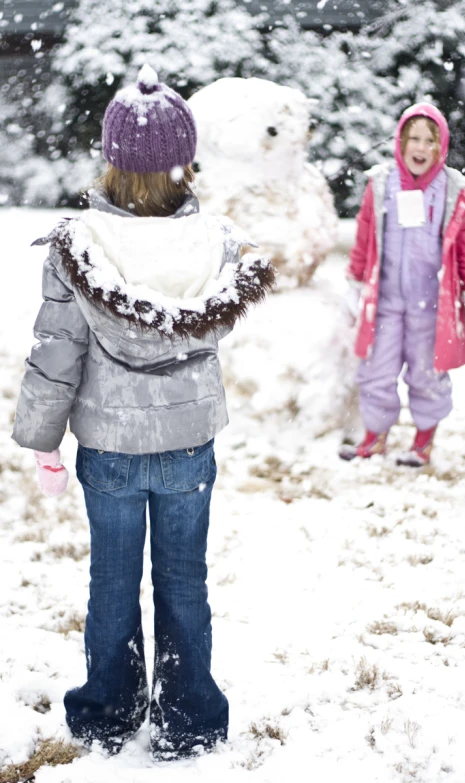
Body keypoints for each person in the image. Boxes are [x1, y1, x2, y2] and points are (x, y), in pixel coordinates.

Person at [12, 64, 274, 760]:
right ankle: (188, 714)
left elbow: (55, 349)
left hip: (111, 449)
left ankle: (107, 708)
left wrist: (41, 440)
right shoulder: (217, 243)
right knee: (184, 578)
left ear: (113, 158)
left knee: (112, 578)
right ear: (184, 162)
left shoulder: (83, 245)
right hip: (188, 446)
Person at [340, 102, 465, 466]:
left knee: (427, 374)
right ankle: (375, 438)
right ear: (400, 141)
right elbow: (364, 238)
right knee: (376, 370)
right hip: (387, 302)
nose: (420, 148)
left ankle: (422, 442)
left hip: (432, 307)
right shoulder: (380, 185)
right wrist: (354, 283)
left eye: (430, 141)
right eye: (413, 139)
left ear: (442, 147)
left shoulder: (455, 193)